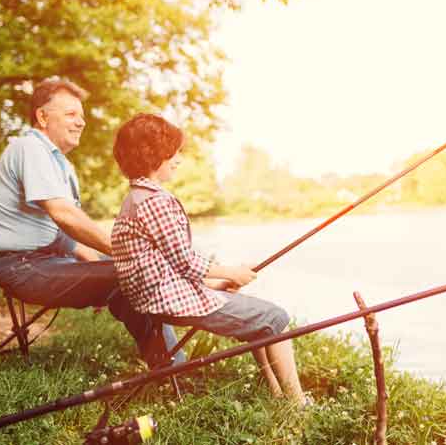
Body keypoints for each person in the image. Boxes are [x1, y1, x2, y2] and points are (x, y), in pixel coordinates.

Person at [0, 78, 182, 366]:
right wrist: (126, 254)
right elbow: (64, 215)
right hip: (21, 267)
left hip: (44, 259)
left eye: (82, 116)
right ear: (42, 116)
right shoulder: (30, 149)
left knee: (129, 270)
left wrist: (97, 256)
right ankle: (172, 365)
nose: (80, 123)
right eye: (71, 114)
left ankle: (166, 361)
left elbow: (60, 231)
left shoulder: (58, 162)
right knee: (129, 272)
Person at [110, 113, 306, 403]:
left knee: (259, 315)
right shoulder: (156, 201)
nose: (178, 159)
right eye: (174, 153)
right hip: (167, 301)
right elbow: (186, 262)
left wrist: (217, 282)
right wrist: (232, 273)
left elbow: (166, 264)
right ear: (153, 155)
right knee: (275, 318)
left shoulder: (135, 198)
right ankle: (297, 403)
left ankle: (277, 393)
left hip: (156, 295)